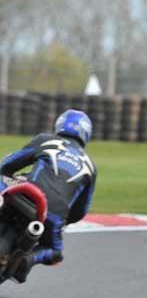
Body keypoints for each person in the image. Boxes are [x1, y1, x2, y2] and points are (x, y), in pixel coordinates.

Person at [0, 109, 97, 283]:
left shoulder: (47, 140)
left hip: (27, 191)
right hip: (53, 214)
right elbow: (81, 211)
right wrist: (64, 220)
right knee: (55, 252)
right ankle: (29, 259)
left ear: (60, 125)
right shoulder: (90, 166)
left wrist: (8, 174)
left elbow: (9, 163)